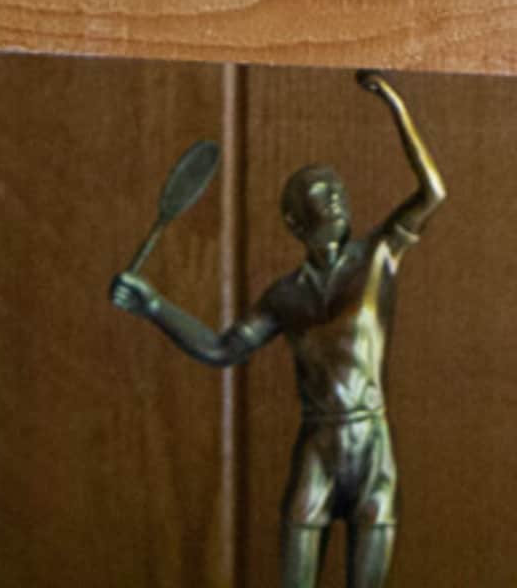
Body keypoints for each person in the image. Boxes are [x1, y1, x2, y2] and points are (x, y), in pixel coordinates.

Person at [110, 71, 444, 588]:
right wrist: (155, 307)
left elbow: (432, 192)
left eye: (336, 187)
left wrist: (396, 106)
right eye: (317, 190)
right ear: (294, 220)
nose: (333, 195)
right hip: (317, 448)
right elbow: (222, 349)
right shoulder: (284, 297)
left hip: (373, 450)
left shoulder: (378, 258)